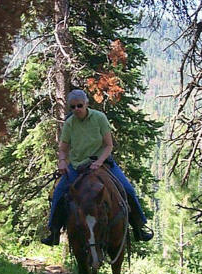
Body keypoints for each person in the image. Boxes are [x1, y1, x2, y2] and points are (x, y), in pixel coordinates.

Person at [41, 89, 154, 246]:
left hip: (103, 163)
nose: (76, 109)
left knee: (128, 189)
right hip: (77, 166)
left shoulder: (99, 118)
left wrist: (99, 162)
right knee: (58, 192)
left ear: (86, 104)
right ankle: (54, 232)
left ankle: (139, 227)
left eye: (79, 105)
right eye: (72, 107)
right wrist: (61, 161)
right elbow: (63, 148)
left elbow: (108, 145)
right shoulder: (69, 123)